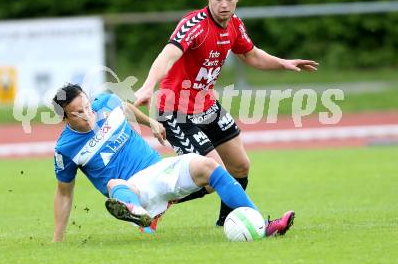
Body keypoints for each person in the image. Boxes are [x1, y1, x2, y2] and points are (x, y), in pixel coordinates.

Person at [134, 0, 319, 226]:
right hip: (176, 112)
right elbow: (168, 55)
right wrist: (148, 86)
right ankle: (148, 205)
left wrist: (282, 63)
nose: (223, 4)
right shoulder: (194, 25)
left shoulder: (235, 24)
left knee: (240, 166)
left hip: (208, 107)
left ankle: (228, 222)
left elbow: (250, 54)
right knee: (212, 177)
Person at [52, 84, 294, 242]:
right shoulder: (65, 149)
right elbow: (64, 194)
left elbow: (125, 107)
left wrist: (151, 123)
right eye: (79, 113)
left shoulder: (105, 102)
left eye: (87, 106)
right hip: (133, 189)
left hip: (160, 171)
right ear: (64, 118)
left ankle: (264, 225)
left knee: (208, 166)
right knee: (115, 184)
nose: (88, 114)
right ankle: (138, 213)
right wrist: (57, 241)